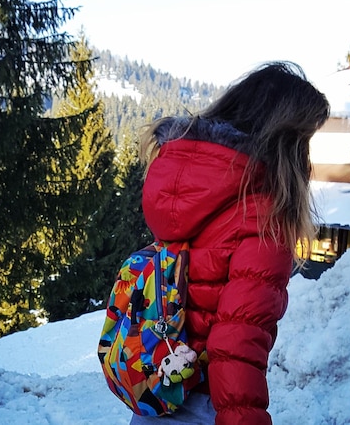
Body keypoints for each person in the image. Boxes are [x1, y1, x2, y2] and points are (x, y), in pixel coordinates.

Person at [130, 61, 330, 425]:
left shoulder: (183, 180)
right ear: (288, 141)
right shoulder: (264, 215)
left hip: (160, 388)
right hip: (208, 400)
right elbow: (236, 343)